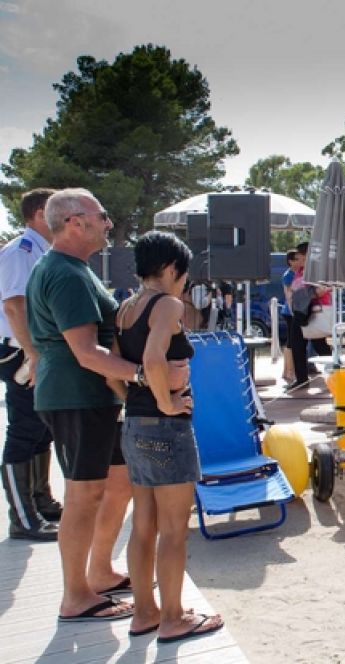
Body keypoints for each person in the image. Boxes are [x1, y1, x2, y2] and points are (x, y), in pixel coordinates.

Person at [27, 188, 188, 622]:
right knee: (83, 495)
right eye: (101, 216)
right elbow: (86, 352)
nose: (108, 223)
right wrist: (143, 378)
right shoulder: (65, 274)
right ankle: (75, 594)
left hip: (95, 397)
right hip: (76, 397)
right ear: (75, 222)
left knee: (117, 485)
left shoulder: (75, 269)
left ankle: (99, 572)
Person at [113, 231, 223, 643]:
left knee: (143, 525)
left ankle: (145, 613)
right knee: (174, 529)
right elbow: (153, 359)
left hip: (134, 425)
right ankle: (173, 618)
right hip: (166, 427)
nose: (184, 283)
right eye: (184, 274)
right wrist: (167, 403)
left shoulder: (124, 308)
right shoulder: (167, 304)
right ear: (172, 268)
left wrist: (137, 399)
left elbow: (113, 371)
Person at [0, 188, 61, 541]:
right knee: (24, 430)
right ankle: (22, 518)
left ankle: (41, 501)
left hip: (36, 351)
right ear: (40, 213)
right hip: (21, 352)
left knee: (41, 429)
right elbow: (13, 306)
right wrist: (33, 353)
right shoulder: (20, 251)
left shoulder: (42, 251)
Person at [286, 242, 331, 389]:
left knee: (320, 344)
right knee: (296, 343)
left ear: (306, 255)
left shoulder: (317, 270)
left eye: (300, 256)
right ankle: (302, 380)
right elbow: (293, 288)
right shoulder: (300, 271)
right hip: (300, 312)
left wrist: (304, 295)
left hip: (314, 310)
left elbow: (323, 288)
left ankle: (335, 372)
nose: (298, 259)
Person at [280, 250, 300, 384]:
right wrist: (293, 310)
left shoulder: (299, 273)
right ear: (290, 261)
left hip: (297, 310)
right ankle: (288, 371)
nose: (300, 262)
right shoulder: (288, 275)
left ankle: (288, 370)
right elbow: (288, 294)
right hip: (289, 312)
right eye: (297, 259)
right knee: (291, 341)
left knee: (293, 341)